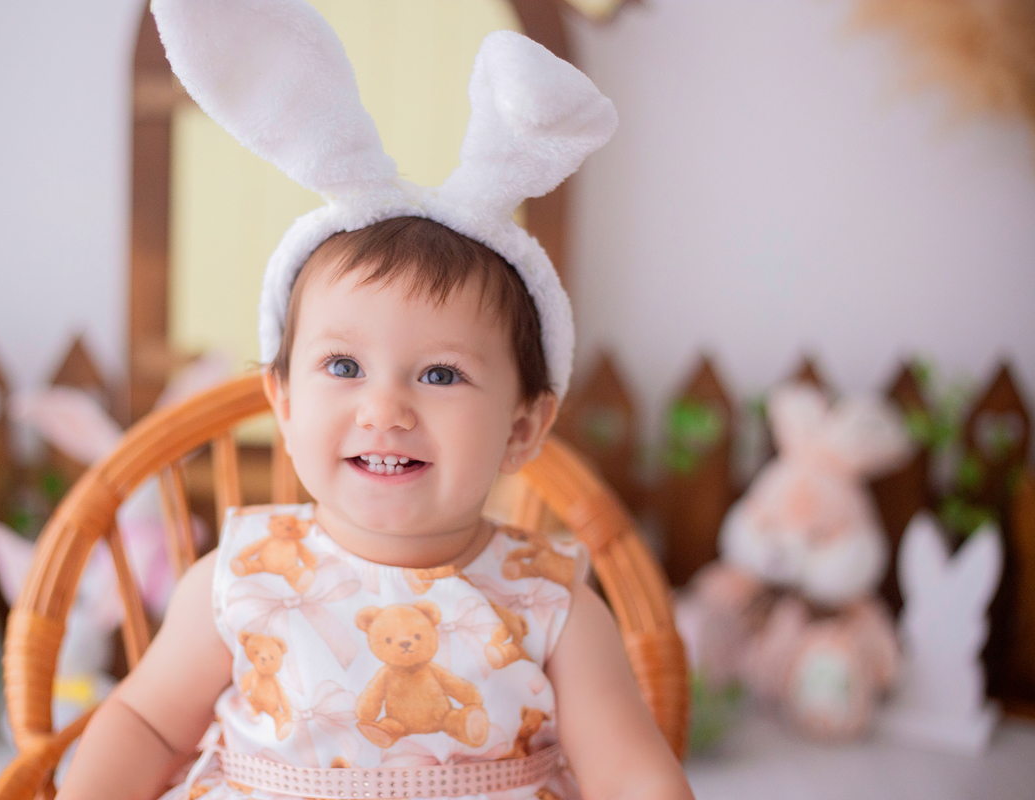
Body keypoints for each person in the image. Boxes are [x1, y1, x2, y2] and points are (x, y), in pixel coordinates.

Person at [59, 2, 693, 799]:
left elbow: (629, 770)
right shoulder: (241, 581)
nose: (385, 408)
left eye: (439, 375)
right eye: (344, 365)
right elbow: (146, 727)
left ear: (522, 429)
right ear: (283, 400)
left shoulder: (552, 600)